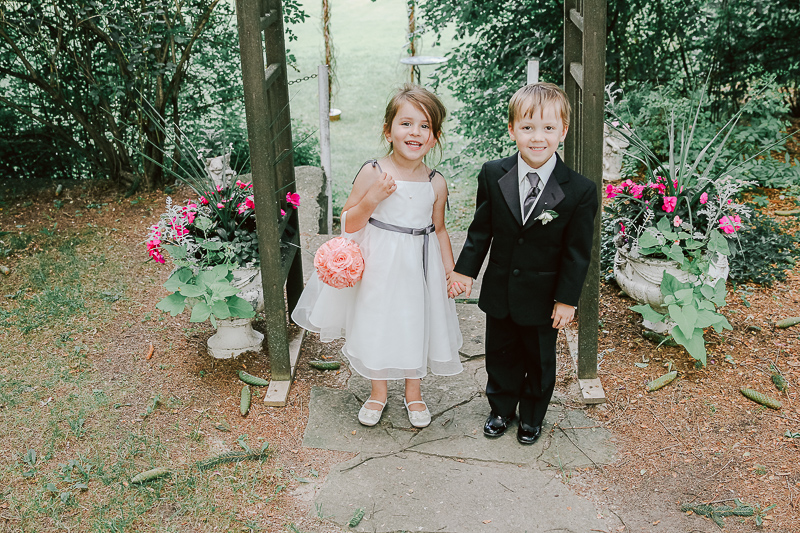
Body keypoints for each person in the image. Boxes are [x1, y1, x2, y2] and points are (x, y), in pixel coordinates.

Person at [292, 84, 463, 428]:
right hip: (380, 265)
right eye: (406, 123)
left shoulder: (436, 182)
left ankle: (414, 393)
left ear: (435, 137)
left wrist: (451, 271)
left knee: (417, 321)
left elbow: (440, 229)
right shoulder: (374, 172)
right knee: (377, 321)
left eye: (425, 126)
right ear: (388, 130)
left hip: (420, 266)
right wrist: (373, 198)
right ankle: (378, 391)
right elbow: (349, 220)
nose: (415, 132)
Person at [448, 82, 598, 445]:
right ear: (512, 129)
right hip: (501, 287)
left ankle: (532, 414)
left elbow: (577, 252)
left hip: (544, 295)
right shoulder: (493, 173)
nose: (537, 137)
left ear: (562, 131)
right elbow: (481, 229)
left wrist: (567, 299)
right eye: (528, 127)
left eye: (548, 128)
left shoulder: (579, 190)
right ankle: (500, 408)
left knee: (539, 358)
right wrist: (465, 270)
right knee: (500, 353)